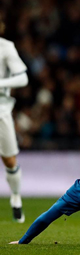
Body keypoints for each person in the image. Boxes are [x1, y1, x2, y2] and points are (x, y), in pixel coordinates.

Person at [0, 19, 28, 223]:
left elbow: (22, 78)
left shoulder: (6, 47)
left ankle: (16, 197)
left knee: (9, 159)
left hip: (1, 107)